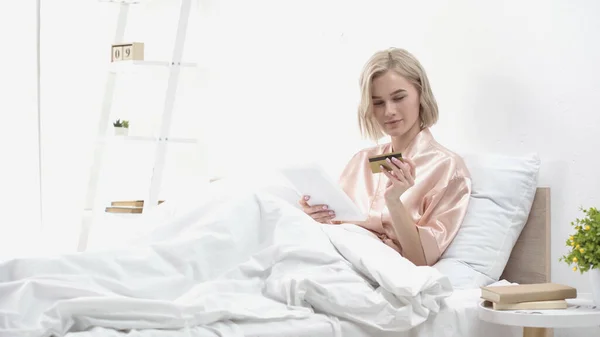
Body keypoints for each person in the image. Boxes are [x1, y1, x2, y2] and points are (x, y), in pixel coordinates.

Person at [299, 48, 471, 267]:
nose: (389, 111)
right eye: (378, 103)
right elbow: (334, 229)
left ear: (420, 94)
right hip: (340, 258)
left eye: (399, 98)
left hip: (381, 269)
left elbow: (420, 260)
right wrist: (316, 216)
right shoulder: (361, 161)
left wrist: (394, 201)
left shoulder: (447, 168)